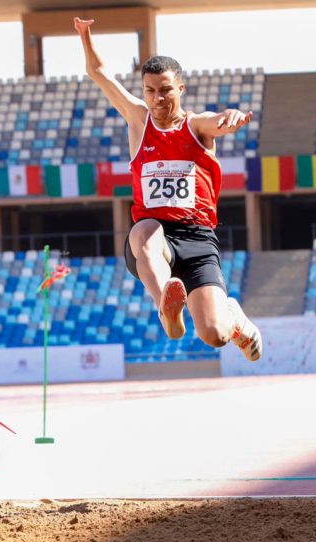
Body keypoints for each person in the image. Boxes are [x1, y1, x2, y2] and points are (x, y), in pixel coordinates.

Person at [74, 17, 262, 361]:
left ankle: (232, 317)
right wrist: (85, 36)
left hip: (197, 239)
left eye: (165, 90)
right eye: (150, 91)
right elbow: (98, 72)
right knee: (144, 229)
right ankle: (167, 309)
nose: (157, 98)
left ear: (181, 89)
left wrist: (229, 117)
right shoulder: (137, 119)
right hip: (153, 240)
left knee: (215, 335)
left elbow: (216, 120)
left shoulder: (195, 126)